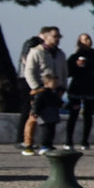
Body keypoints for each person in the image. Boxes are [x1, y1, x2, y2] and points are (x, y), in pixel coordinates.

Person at [18, 25, 65, 155]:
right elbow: (29, 70)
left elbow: (64, 72)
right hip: (39, 90)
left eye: (59, 37)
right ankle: (28, 144)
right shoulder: (36, 51)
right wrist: (36, 87)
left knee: (51, 119)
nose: (57, 39)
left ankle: (46, 144)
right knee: (33, 117)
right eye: (54, 36)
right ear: (46, 37)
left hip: (54, 90)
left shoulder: (60, 54)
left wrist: (62, 87)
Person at [61, 31, 94, 150]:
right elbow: (67, 72)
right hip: (76, 87)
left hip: (90, 87)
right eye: (84, 39)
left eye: (88, 39)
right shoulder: (75, 56)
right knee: (73, 114)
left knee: (88, 115)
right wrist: (76, 66)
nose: (87, 41)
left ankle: (85, 141)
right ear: (79, 42)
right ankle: (68, 141)